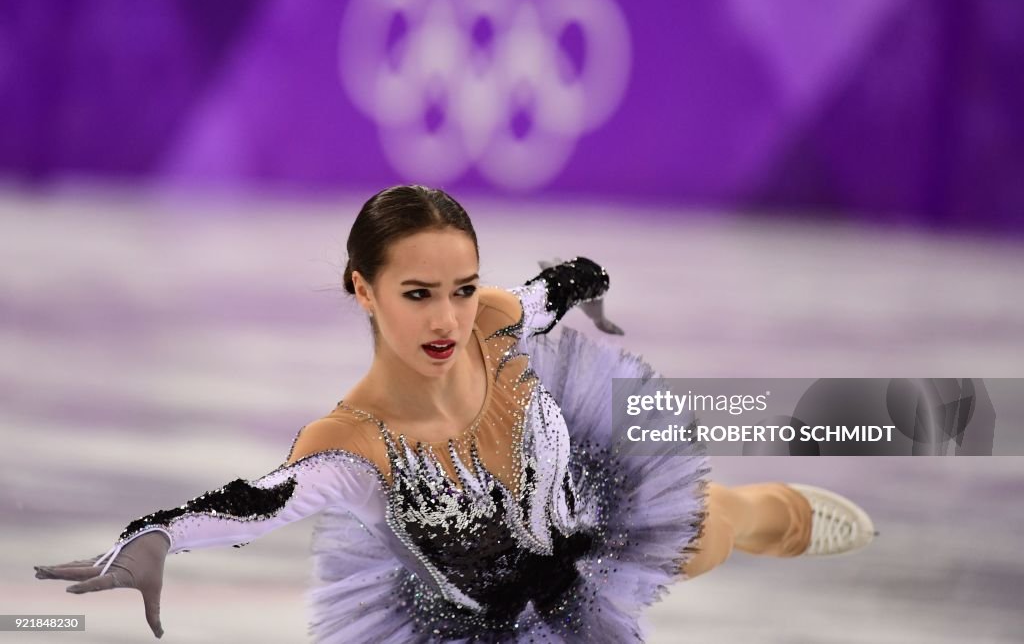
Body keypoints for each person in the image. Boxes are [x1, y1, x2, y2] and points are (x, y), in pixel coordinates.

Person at [34, 185, 876, 642]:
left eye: (462, 289)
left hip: (597, 528)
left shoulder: (496, 319)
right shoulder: (352, 446)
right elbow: (255, 502)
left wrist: (588, 285)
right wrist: (149, 540)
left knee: (717, 532)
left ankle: (773, 511)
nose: (448, 319)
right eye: (418, 294)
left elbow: (554, 289)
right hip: (477, 625)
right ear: (361, 290)